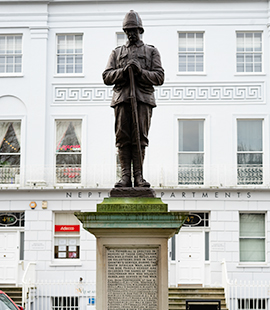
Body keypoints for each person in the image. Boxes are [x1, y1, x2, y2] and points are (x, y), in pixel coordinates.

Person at [103, 10, 164, 188]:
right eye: (127, 31)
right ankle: (125, 178)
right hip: (122, 99)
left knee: (140, 138)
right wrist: (123, 72)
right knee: (123, 138)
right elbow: (106, 76)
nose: (130, 34)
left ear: (140, 30)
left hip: (142, 99)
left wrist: (140, 72)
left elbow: (159, 77)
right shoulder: (117, 53)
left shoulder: (151, 51)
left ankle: (139, 177)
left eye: (134, 30)